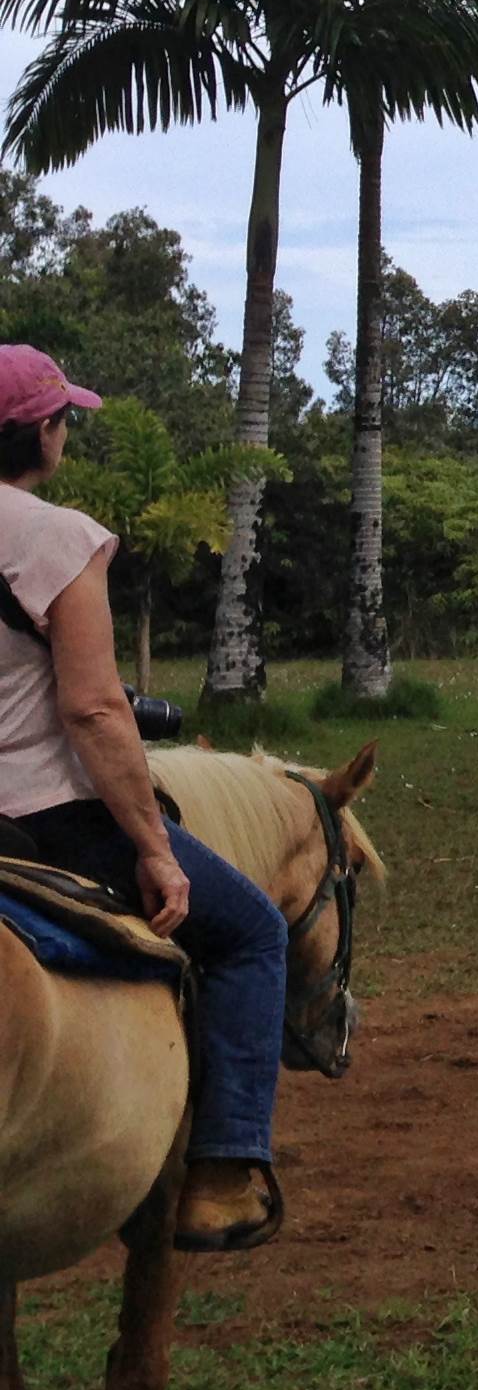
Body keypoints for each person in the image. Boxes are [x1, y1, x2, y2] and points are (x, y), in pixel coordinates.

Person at [0, 345, 289, 1252]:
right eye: (63, 420)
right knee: (251, 934)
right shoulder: (58, 538)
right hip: (45, 816)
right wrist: (155, 849)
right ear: (44, 434)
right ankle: (221, 1174)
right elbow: (89, 707)